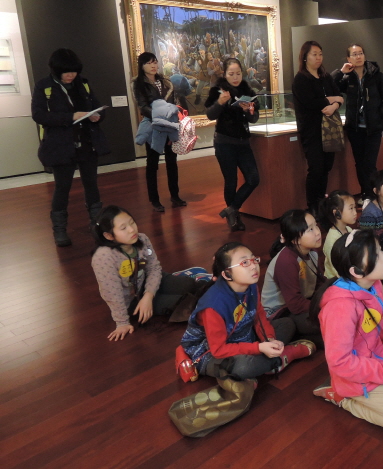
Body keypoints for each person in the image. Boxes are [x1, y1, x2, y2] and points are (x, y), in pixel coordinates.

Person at [310, 229, 383, 433]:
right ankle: (342, 398)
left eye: (380, 250)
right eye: (376, 255)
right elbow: (340, 362)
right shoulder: (340, 308)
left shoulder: (374, 283)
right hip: (357, 379)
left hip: (380, 361)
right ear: (356, 271)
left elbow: (380, 324)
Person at [181, 242, 315, 381]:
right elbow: (219, 350)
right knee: (244, 368)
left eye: (254, 259)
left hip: (244, 336)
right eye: (244, 263)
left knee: (287, 324)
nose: (253, 266)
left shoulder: (250, 285)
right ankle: (285, 355)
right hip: (210, 351)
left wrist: (269, 339)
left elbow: (259, 317)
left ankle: (259, 369)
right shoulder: (213, 306)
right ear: (227, 274)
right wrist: (259, 348)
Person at [31, 48, 109, 246]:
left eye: (74, 71)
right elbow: (39, 115)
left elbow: (97, 106)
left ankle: (97, 226)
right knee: (62, 187)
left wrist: (97, 115)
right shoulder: (44, 86)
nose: (71, 75)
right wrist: (71, 117)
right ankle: (60, 230)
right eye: (66, 71)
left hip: (87, 143)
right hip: (61, 146)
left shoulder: (83, 84)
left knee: (91, 184)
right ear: (56, 70)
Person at [91, 205, 203, 341]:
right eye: (123, 228)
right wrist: (122, 322)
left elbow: (154, 268)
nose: (132, 229)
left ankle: (218, 289)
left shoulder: (142, 238)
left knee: (189, 284)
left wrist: (148, 295)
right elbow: (112, 293)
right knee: (182, 304)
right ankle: (211, 305)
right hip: (133, 299)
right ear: (109, 236)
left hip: (147, 281)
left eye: (132, 222)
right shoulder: (103, 257)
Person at [332, 44, 383, 201]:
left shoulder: (376, 75)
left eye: (360, 53)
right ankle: (366, 193)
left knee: (369, 164)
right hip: (355, 129)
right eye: (354, 54)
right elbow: (330, 86)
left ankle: (372, 194)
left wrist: (380, 115)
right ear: (348, 58)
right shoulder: (348, 77)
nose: (358, 56)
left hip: (373, 129)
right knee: (359, 163)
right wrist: (341, 72)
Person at [205, 58, 260, 231]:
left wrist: (248, 110)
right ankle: (234, 218)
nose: (235, 77)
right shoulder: (218, 90)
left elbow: (254, 118)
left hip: (243, 142)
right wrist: (220, 103)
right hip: (224, 142)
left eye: (238, 73)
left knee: (253, 178)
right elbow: (210, 115)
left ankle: (232, 209)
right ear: (224, 74)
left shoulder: (247, 90)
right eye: (231, 74)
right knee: (231, 181)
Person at [131, 51, 186, 213]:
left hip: (169, 125)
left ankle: (175, 196)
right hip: (153, 126)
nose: (153, 66)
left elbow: (172, 103)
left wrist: (172, 117)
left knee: (171, 161)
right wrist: (160, 116)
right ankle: (154, 200)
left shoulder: (165, 81)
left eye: (155, 62)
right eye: (149, 63)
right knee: (152, 163)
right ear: (142, 66)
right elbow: (143, 106)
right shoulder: (138, 83)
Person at [292, 41, 344, 209]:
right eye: (314, 54)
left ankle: (321, 202)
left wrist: (334, 105)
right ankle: (312, 205)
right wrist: (331, 99)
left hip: (329, 129)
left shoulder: (326, 76)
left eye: (320, 54)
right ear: (305, 57)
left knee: (327, 167)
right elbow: (310, 102)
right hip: (311, 130)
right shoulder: (301, 79)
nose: (318, 58)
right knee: (316, 169)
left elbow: (340, 97)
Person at [261, 210, 323, 347]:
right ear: (295, 240)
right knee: (327, 321)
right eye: (310, 229)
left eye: (316, 225)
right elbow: (295, 305)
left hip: (301, 303)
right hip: (281, 313)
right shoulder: (286, 261)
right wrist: (323, 306)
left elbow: (319, 283)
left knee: (334, 319)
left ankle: (304, 338)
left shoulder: (312, 251)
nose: (318, 232)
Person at [318, 190, 357, 279]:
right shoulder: (332, 240)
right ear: (336, 213)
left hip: (350, 273)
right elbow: (337, 270)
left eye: (354, 207)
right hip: (337, 280)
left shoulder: (349, 229)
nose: (355, 212)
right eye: (351, 208)